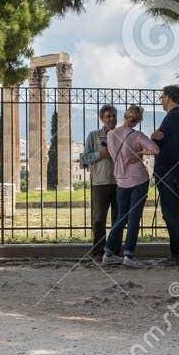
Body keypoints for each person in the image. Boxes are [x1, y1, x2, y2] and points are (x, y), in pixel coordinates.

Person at [103, 104, 158, 267]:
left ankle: (108, 252)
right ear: (139, 120)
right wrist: (140, 153)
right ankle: (129, 255)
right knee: (134, 217)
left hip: (121, 179)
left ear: (125, 116)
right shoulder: (138, 136)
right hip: (139, 179)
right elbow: (155, 150)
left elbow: (114, 156)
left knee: (121, 216)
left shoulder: (111, 134)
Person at [151, 84, 179, 265]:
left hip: (168, 173)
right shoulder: (177, 118)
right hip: (171, 172)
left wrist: (154, 137)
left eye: (162, 97)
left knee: (171, 215)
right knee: (171, 214)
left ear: (168, 97)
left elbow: (160, 141)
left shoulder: (172, 117)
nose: (161, 100)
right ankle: (177, 255)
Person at [81, 105, 119, 261]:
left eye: (114, 116)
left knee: (118, 219)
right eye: (108, 116)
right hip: (100, 183)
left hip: (120, 183)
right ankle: (98, 252)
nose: (111, 119)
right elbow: (84, 159)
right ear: (102, 119)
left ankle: (115, 252)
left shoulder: (120, 135)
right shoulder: (93, 136)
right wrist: (100, 154)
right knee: (99, 219)